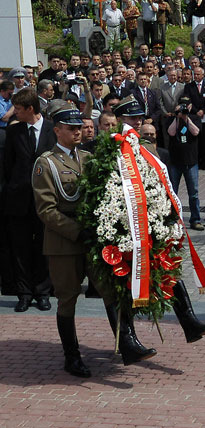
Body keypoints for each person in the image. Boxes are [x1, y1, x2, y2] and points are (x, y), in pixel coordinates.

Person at [32, 105, 157, 377]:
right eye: (71, 128)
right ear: (57, 131)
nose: (78, 131)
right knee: (67, 300)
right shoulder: (46, 163)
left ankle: (127, 343)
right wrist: (78, 231)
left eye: (80, 127)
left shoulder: (88, 157)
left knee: (110, 290)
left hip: (93, 241)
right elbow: (46, 211)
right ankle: (72, 356)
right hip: (64, 244)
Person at [3, 88, 56, 312]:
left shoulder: (53, 129)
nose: (14, 113)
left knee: (43, 246)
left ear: (30, 109)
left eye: (18, 109)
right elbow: (8, 165)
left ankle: (43, 292)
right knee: (20, 248)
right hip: (19, 200)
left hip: (45, 200)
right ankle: (24, 293)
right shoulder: (14, 133)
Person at [166, 96, 204, 231]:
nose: (184, 108)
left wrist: (186, 118)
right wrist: (177, 117)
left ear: (190, 106)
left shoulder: (195, 118)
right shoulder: (173, 118)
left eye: (186, 105)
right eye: (181, 105)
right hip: (175, 161)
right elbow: (171, 133)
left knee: (194, 193)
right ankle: (173, 219)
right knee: (173, 192)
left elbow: (196, 132)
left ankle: (196, 219)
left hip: (191, 161)